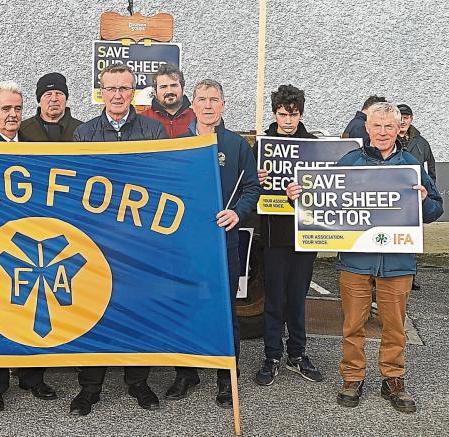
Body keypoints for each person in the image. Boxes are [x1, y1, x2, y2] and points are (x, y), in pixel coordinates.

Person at [287, 102, 442, 413]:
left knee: (395, 326)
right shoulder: (350, 161)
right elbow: (323, 201)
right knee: (353, 324)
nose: (382, 132)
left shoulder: (411, 164)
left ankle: (393, 378)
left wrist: (424, 201)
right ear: (367, 128)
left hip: (398, 261)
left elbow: (435, 209)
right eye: (377, 126)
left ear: (400, 129)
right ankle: (353, 378)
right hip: (356, 259)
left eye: (389, 126)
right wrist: (298, 198)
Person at [69, 64, 167, 416]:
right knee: (94, 310)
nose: (117, 95)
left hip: (140, 238)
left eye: (124, 89)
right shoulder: (84, 133)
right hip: (98, 238)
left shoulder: (154, 131)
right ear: (101, 91)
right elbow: (77, 187)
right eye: (110, 89)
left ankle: (138, 381)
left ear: (134, 92)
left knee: (138, 308)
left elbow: (161, 183)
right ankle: (90, 386)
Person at [166, 79, 260, 408]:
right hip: (185, 245)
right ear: (192, 103)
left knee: (223, 310)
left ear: (223, 105)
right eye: (202, 99)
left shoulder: (235, 145)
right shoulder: (176, 143)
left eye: (215, 99)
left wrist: (237, 212)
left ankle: (225, 376)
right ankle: (186, 372)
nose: (208, 105)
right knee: (185, 307)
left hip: (223, 243)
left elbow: (251, 188)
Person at [0, 81, 57, 412]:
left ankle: (32, 376)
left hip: (31, 240)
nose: (12, 115)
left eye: (17, 109)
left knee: (31, 309)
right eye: (6, 109)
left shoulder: (36, 145)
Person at [254, 85, 323, 387]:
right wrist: (257, 180)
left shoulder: (313, 145)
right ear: (274, 113)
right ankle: (272, 355)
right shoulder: (261, 147)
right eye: (283, 114)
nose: (288, 121)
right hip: (272, 234)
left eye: (293, 115)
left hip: (305, 233)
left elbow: (326, 189)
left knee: (297, 297)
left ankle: (297, 352)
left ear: (301, 114)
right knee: (273, 299)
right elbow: (247, 190)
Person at [397, 103, 437, 291]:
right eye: (401, 117)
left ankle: (410, 275)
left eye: (407, 117)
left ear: (411, 119)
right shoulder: (388, 139)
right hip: (395, 197)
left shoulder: (421, 143)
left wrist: (429, 189)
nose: (404, 120)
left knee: (413, 238)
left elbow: (430, 168)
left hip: (416, 198)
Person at [20, 72, 82, 141]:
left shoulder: (82, 130)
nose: (54, 99)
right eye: (48, 94)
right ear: (39, 100)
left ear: (66, 99)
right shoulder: (22, 130)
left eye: (59, 93)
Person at [139, 63, 195, 138]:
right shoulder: (142, 119)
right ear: (155, 91)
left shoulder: (196, 117)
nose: (169, 91)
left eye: (174, 85)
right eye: (163, 87)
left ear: (182, 88)